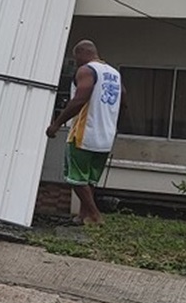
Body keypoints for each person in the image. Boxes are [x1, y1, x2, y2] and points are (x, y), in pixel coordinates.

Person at [46, 40, 126, 225]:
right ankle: (83, 216)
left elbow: (80, 99)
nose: (77, 63)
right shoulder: (114, 73)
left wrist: (57, 124)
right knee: (88, 179)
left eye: (76, 58)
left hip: (84, 135)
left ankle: (95, 215)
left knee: (75, 178)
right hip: (106, 137)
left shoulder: (87, 70)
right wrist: (112, 123)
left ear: (81, 53)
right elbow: (124, 101)